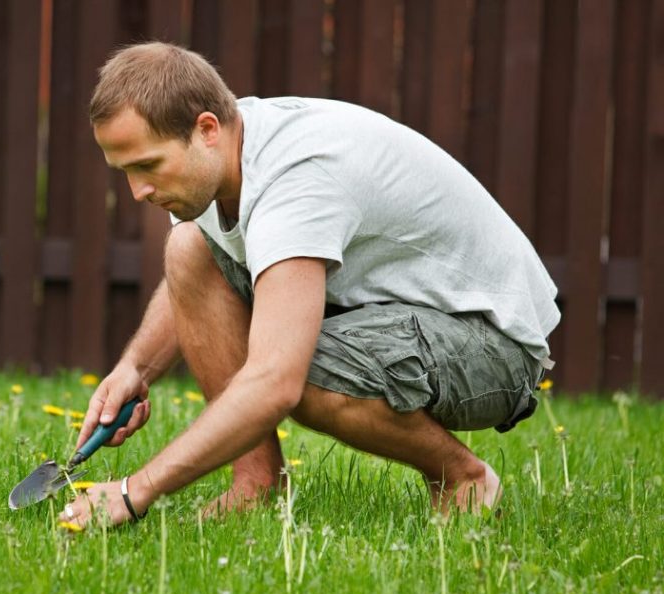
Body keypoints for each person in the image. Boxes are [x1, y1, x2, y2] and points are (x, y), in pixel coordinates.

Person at [59, 42, 559, 529]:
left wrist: (133, 492)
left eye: (147, 165)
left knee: (305, 373)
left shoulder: (296, 182)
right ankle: (256, 485)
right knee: (189, 248)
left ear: (206, 129)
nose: (138, 191)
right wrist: (135, 369)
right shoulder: (226, 156)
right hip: (393, 311)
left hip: (493, 344)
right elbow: (197, 273)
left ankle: (464, 479)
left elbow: (275, 381)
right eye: (125, 171)